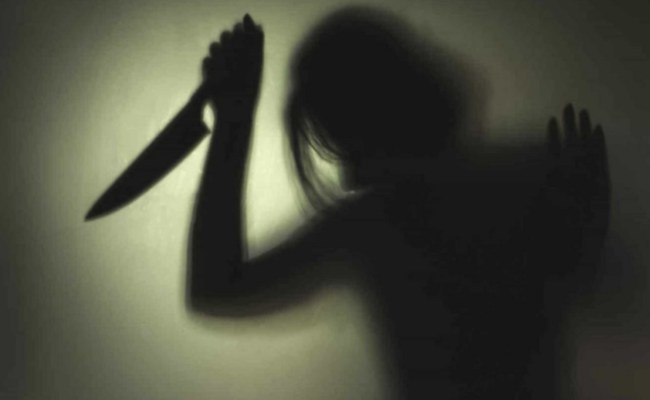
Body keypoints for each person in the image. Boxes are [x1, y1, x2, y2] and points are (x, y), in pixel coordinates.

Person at [185, 8, 610, 399]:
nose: (346, 174)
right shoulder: (522, 181)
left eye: (342, 140)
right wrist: (582, 228)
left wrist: (234, 121)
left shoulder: (377, 222)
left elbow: (217, 287)